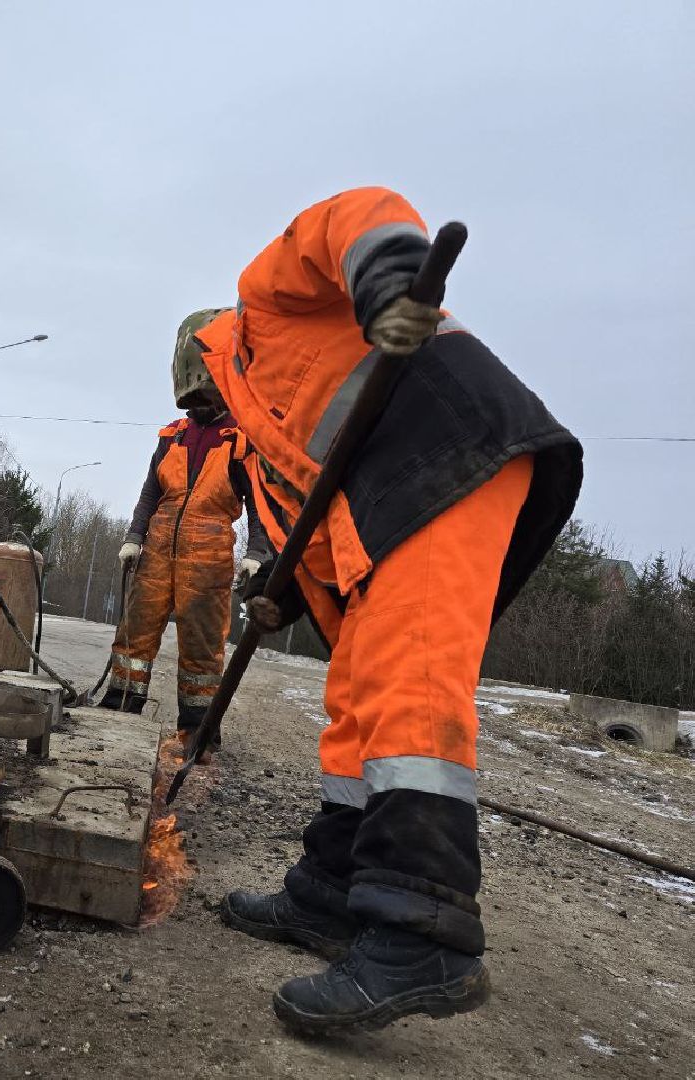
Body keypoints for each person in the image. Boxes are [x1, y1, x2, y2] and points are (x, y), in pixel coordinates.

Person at [200, 188, 581, 1033]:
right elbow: (308, 522)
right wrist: (280, 590)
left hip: (451, 452)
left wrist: (390, 282)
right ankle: (330, 893)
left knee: (410, 683)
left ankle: (422, 934)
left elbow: (356, 211)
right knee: (357, 698)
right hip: (385, 507)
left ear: (199, 358)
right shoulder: (254, 427)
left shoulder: (263, 302)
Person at [98, 309, 269, 746]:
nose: (197, 406)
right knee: (134, 634)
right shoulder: (172, 436)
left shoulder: (241, 439)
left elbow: (259, 504)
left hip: (208, 557)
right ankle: (120, 705)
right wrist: (134, 537)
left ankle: (196, 729)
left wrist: (256, 552)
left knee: (202, 646)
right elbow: (149, 494)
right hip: (157, 550)